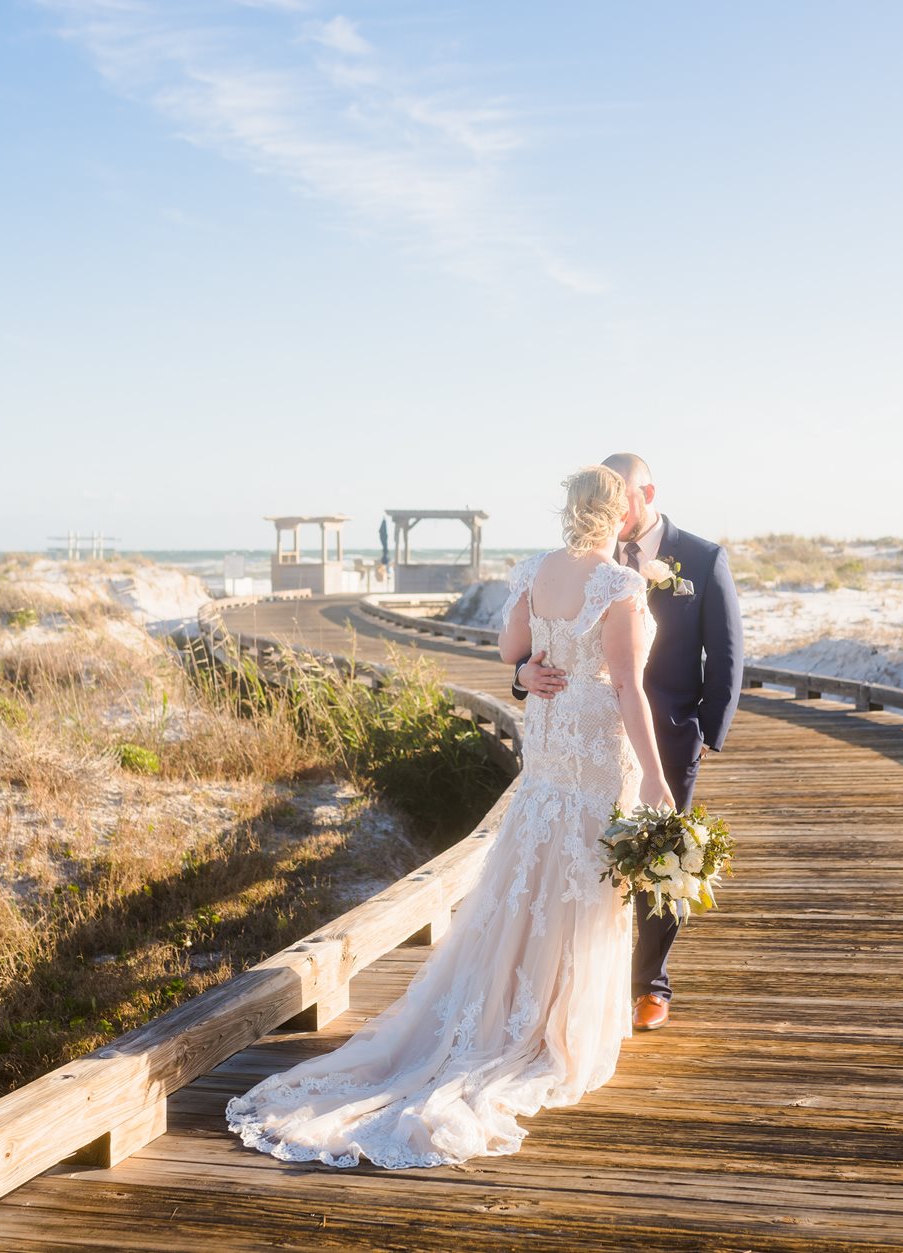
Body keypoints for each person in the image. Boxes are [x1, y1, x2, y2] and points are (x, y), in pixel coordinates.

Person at [225, 464, 670, 1168]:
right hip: (590, 756)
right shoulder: (619, 585)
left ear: (569, 510)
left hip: (550, 752)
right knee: (580, 888)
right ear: (619, 517)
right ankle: (553, 1032)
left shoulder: (536, 569)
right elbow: (628, 689)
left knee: (530, 882)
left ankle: (510, 1015)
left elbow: (509, 652)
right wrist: (656, 776)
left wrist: (526, 675)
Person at [510, 452, 744, 1032]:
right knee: (589, 866)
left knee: (660, 864)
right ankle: (582, 994)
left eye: (630, 491)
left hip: (667, 733)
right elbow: (544, 653)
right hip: (598, 740)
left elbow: (728, 651)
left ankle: (650, 986)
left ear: (648, 492)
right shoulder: (598, 569)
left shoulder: (703, 557)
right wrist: (521, 675)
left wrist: (705, 735)